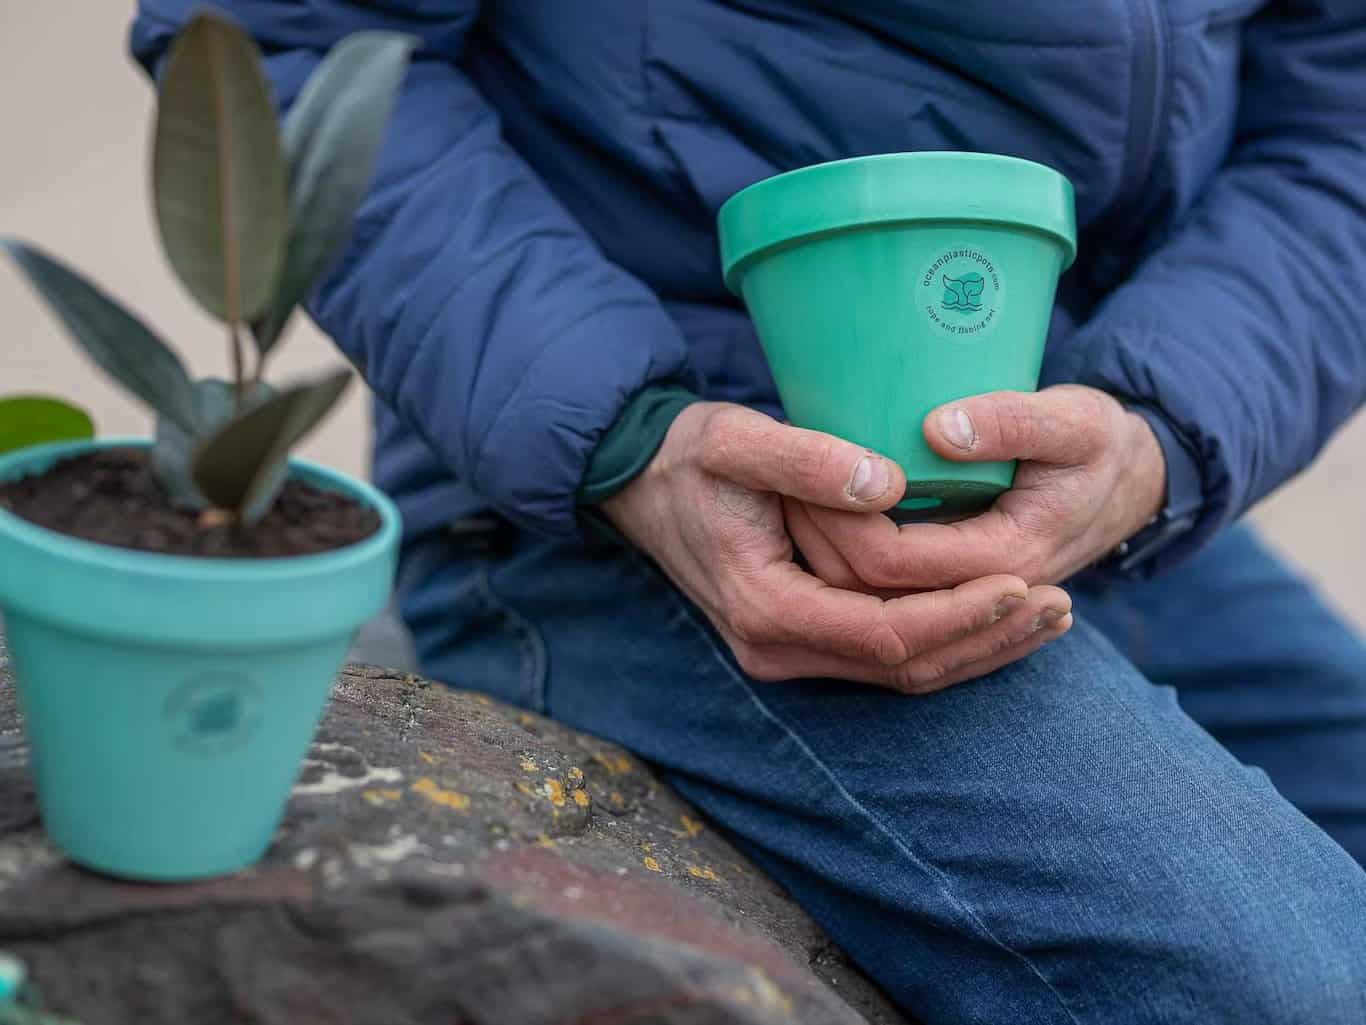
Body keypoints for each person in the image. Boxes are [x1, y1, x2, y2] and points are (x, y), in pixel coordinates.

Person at [133, 3, 1366, 1021]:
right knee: (1277, 986)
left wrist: (1156, 431)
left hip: (1092, 463)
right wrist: (625, 442)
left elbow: (1342, 114)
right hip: (647, 484)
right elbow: (279, 37)